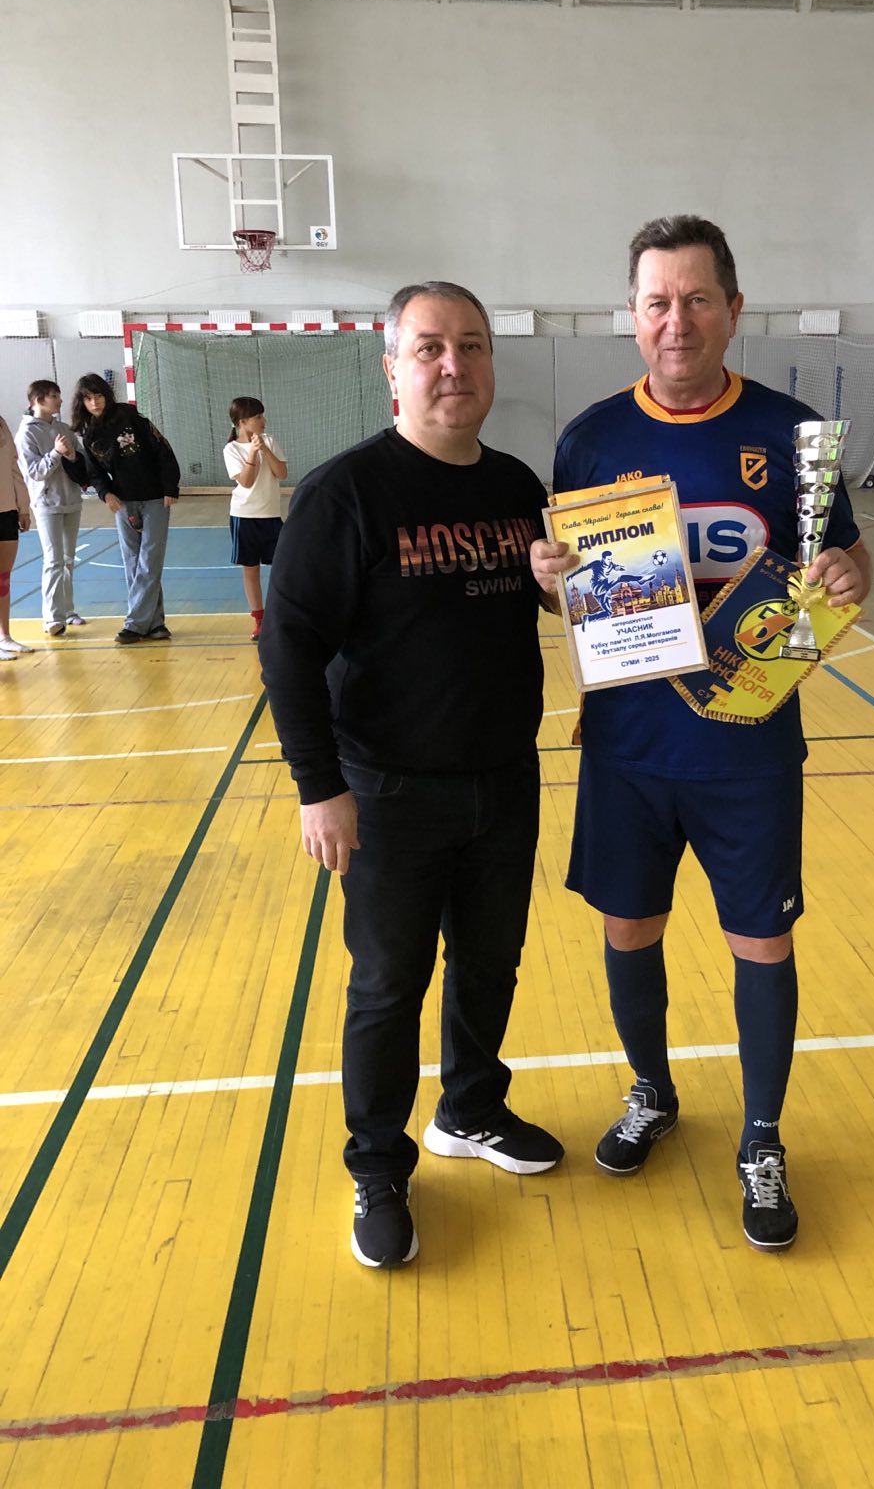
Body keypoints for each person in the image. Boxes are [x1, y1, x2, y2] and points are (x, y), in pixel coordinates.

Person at [530, 215, 871, 1252]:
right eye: (657, 302)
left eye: (696, 299)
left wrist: (847, 576)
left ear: (733, 308)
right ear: (632, 316)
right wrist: (550, 581)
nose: (676, 321)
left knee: (761, 939)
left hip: (748, 749)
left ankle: (762, 1138)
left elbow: (845, 564)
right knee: (627, 927)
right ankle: (652, 1091)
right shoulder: (591, 439)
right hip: (628, 746)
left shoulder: (794, 435)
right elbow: (576, 595)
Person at [258, 280, 563, 1270]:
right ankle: (379, 1166)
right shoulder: (344, 494)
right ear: (392, 368)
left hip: (504, 779)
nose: (452, 365)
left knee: (491, 963)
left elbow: (552, 604)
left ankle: (470, 1109)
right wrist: (319, 786)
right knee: (390, 985)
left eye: (470, 345)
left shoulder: (515, 485)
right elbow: (288, 648)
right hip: (387, 789)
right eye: (429, 347)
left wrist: (566, 589)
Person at [73, 375, 180, 645]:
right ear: (82, 402)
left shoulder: (130, 417)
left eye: (98, 396)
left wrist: (170, 486)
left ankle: (134, 624)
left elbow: (163, 449)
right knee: (133, 562)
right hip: (123, 502)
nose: (94, 402)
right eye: (88, 398)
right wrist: (105, 493)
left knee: (150, 561)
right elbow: (94, 473)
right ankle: (155, 623)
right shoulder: (90, 435)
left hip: (155, 498)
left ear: (107, 395)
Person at [15, 380, 89, 636]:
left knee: (68, 560)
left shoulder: (63, 428)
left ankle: (68, 611)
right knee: (53, 560)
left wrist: (71, 455)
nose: (59, 400)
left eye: (58, 395)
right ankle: (51, 618)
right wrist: (56, 453)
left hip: (71, 501)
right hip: (47, 504)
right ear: (38, 400)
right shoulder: (26, 434)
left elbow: (80, 459)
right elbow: (35, 472)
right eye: (53, 396)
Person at [223, 396, 287, 641]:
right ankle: (259, 620)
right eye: (258, 417)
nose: (263, 420)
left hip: (271, 515)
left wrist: (265, 450)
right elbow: (246, 481)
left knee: (281, 566)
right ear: (242, 422)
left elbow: (281, 472)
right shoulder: (231, 449)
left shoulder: (269, 441)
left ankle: (280, 614)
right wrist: (252, 453)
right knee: (251, 570)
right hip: (245, 516)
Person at [0, 411, 33, 660]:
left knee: (2, 578)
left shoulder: (1, 423)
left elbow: (13, 467)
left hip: (6, 510)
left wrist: (23, 507)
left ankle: (5, 637)